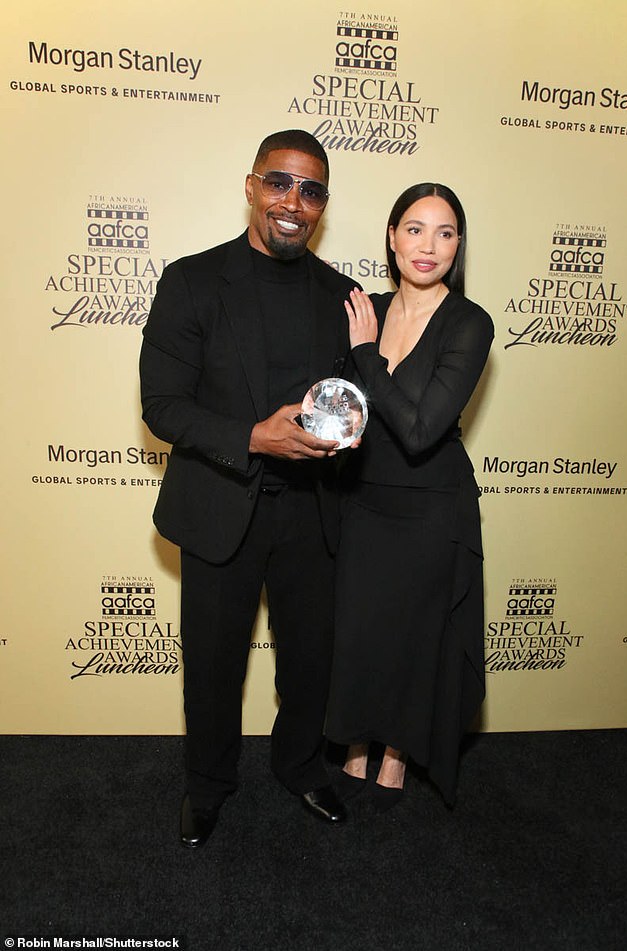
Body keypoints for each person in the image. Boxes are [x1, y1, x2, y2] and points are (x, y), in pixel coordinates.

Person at [140, 130, 358, 848]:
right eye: (279, 183)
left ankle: (300, 766)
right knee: (210, 663)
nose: (293, 202)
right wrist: (253, 436)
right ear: (251, 186)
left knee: (310, 660)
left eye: (311, 189)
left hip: (313, 510)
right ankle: (206, 784)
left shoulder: (344, 297)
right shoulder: (193, 280)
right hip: (221, 502)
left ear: (323, 203)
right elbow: (163, 405)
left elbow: (361, 397)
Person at [326, 183, 494, 810]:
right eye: (415, 229)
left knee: (417, 635)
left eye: (446, 232)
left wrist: (368, 357)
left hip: (430, 505)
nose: (429, 246)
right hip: (365, 499)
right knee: (362, 629)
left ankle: (398, 751)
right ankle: (357, 742)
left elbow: (422, 430)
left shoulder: (470, 323)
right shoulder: (363, 306)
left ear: (458, 245)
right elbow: (345, 409)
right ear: (392, 236)